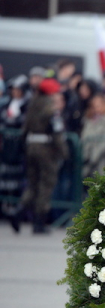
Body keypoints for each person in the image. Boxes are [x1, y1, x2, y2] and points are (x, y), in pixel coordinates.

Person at [14, 78, 69, 234]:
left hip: (31, 147)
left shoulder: (32, 105)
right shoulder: (51, 110)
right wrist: (64, 152)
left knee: (32, 183)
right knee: (46, 184)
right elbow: (57, 133)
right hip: (46, 149)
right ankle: (39, 222)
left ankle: (19, 211)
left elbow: (24, 128)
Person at [80, 93, 105, 178]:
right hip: (87, 154)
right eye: (94, 106)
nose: (96, 109)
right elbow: (84, 136)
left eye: (99, 105)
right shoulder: (89, 118)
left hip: (102, 155)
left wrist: (94, 157)